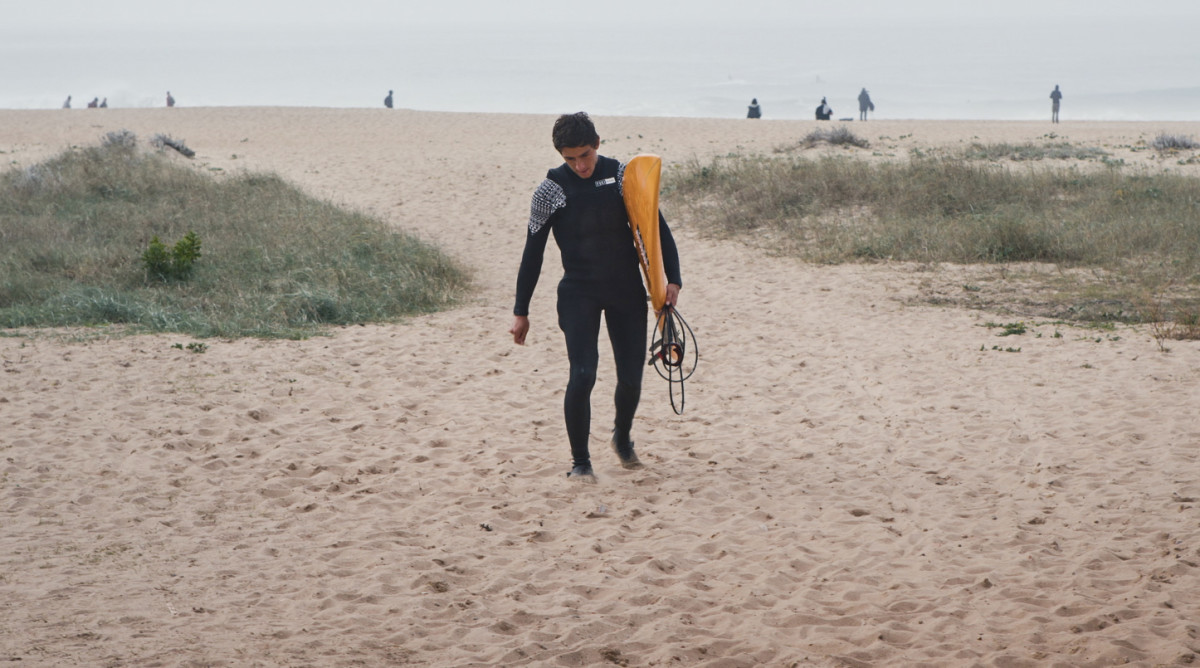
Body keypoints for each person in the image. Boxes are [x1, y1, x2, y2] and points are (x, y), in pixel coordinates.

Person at [510, 112, 683, 483]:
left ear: (597, 144)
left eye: (585, 155)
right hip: (578, 293)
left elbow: (656, 228)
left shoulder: (622, 176)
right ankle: (580, 461)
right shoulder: (550, 190)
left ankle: (621, 438)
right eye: (570, 158)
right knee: (583, 374)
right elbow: (532, 253)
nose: (580, 165)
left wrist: (673, 280)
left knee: (631, 377)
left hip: (626, 290)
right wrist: (520, 310)